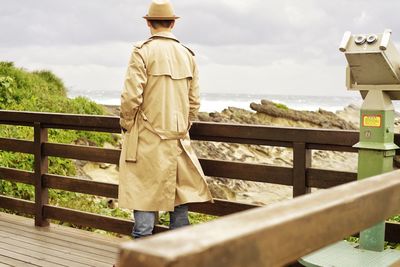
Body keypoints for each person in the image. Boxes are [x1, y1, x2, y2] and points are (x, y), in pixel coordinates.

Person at [118, 0, 213, 239]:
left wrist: (128, 125)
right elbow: (194, 101)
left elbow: (131, 97)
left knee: (143, 193)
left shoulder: (142, 51)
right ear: (172, 23)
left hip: (147, 137)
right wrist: (184, 125)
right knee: (178, 194)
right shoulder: (187, 54)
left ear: (149, 23)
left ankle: (142, 256)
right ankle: (179, 257)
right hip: (178, 138)